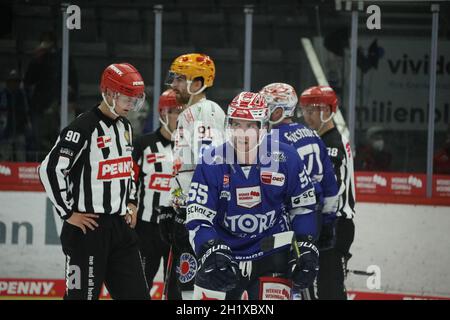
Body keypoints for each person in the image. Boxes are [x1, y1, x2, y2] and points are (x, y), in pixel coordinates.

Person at [186, 91, 320, 300]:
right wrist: (209, 249)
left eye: (250, 125)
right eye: (236, 124)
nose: (242, 133)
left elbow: (303, 207)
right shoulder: (211, 161)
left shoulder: (286, 157)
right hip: (224, 254)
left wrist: (305, 246)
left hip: (270, 251)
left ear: (263, 127)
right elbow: (197, 217)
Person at [38, 63, 149, 300]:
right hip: (88, 229)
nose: (131, 105)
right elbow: (49, 169)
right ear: (108, 93)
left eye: (135, 99)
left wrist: (131, 200)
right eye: (126, 98)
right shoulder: (83, 127)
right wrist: (68, 213)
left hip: (120, 228)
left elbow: (128, 168)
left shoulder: (125, 127)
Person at [163, 53, 226, 299]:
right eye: (175, 78)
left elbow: (209, 162)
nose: (174, 85)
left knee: (190, 286)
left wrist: (193, 209)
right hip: (189, 212)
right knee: (181, 284)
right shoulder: (191, 113)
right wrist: (173, 204)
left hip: (198, 216)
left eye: (180, 79)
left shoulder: (203, 112)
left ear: (198, 83)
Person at [259, 83, 339, 252]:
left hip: (286, 217)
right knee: (305, 267)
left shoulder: (272, 140)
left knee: (277, 270)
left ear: (279, 111)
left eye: (265, 108)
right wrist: (328, 222)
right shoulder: (313, 135)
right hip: (314, 215)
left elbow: (267, 187)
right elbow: (330, 184)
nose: (261, 113)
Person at [299, 85, 356, 300]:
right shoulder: (321, 140)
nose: (307, 115)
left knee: (329, 289)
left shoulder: (332, 144)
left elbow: (329, 189)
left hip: (335, 224)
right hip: (327, 222)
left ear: (329, 110)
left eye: (313, 110)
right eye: (304, 109)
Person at [132, 89, 184, 300]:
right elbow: (130, 181)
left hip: (176, 228)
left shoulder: (190, 147)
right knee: (140, 284)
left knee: (175, 289)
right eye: (175, 112)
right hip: (147, 229)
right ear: (163, 113)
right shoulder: (143, 144)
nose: (180, 118)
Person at [24, 31, 78, 160]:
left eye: (48, 41)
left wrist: (72, 100)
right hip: (40, 104)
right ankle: (43, 162)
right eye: (44, 41)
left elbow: (73, 80)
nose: (45, 44)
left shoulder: (62, 57)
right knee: (39, 137)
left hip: (59, 104)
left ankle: (58, 162)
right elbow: (28, 80)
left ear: (53, 43)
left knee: (59, 135)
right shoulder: (38, 58)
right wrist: (37, 58)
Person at [0, 69, 31, 161]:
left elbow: (26, 112)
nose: (14, 84)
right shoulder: (3, 95)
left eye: (16, 81)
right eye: (11, 81)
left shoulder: (22, 95)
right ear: (7, 82)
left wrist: (27, 126)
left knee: (21, 156)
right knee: (4, 157)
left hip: (20, 130)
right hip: (6, 132)